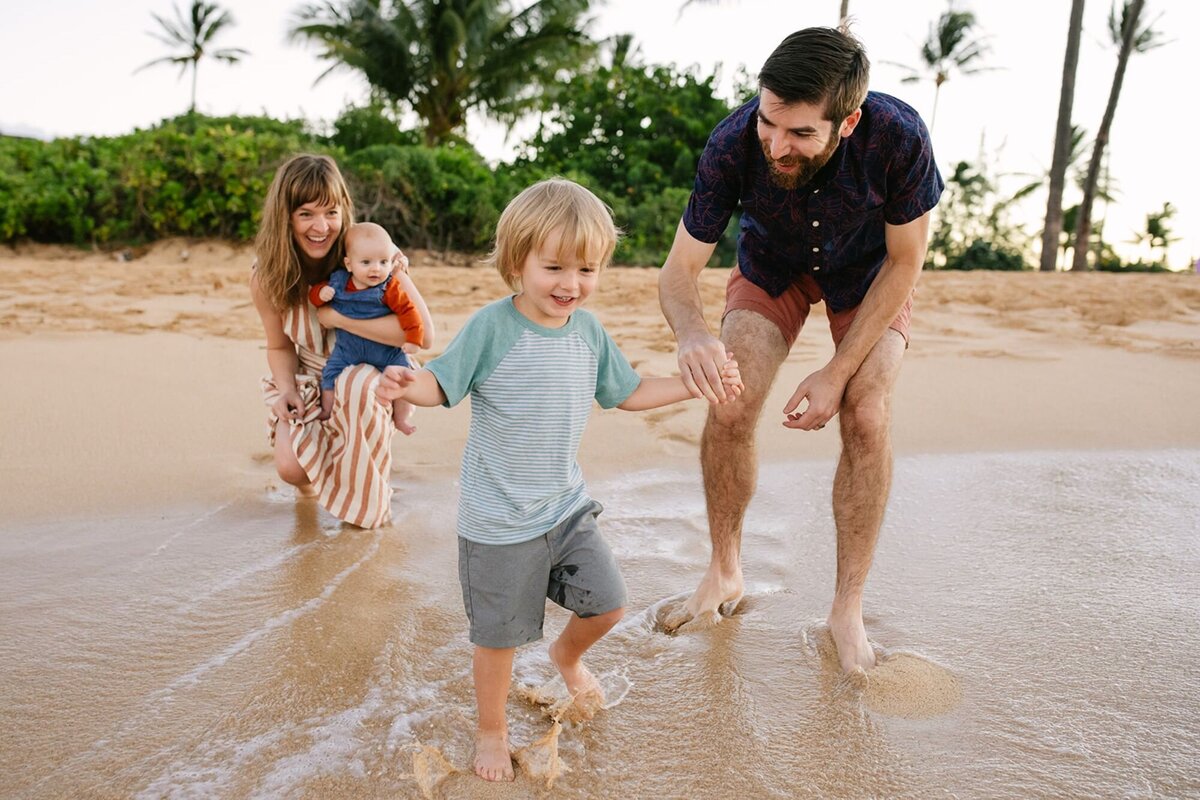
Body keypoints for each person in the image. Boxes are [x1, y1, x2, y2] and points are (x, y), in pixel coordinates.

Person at [375, 178, 743, 782]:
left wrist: (694, 383)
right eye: (553, 267)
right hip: (498, 521)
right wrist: (403, 383)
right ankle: (491, 729)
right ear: (516, 260)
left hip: (565, 509)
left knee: (609, 605)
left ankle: (565, 656)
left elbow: (627, 393)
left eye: (587, 269)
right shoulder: (492, 328)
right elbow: (441, 384)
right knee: (497, 640)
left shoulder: (588, 332)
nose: (570, 284)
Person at [656, 26, 944, 673]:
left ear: (847, 123)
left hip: (870, 277)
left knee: (866, 414)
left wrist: (838, 372)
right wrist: (694, 334)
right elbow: (677, 275)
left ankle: (847, 610)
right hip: (771, 268)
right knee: (729, 403)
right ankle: (725, 571)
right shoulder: (734, 142)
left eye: (799, 134)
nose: (776, 145)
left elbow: (906, 263)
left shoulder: (899, 136)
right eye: (769, 123)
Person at [251, 154, 434, 528]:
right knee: (290, 468)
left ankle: (368, 508)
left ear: (344, 211)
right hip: (313, 375)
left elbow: (423, 336)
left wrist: (338, 318)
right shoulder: (267, 276)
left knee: (360, 384)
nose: (321, 226)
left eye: (331, 212)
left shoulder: (372, 257)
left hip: (371, 370)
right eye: (306, 214)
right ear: (285, 216)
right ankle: (319, 485)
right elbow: (279, 345)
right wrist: (286, 388)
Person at [309, 221, 429, 434]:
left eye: (383, 262)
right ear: (348, 264)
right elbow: (315, 294)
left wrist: (413, 338)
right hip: (349, 349)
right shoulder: (338, 282)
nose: (376, 269)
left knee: (402, 379)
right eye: (366, 262)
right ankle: (327, 410)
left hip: (386, 352)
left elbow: (409, 312)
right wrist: (320, 295)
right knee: (330, 374)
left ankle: (400, 418)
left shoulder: (389, 287)